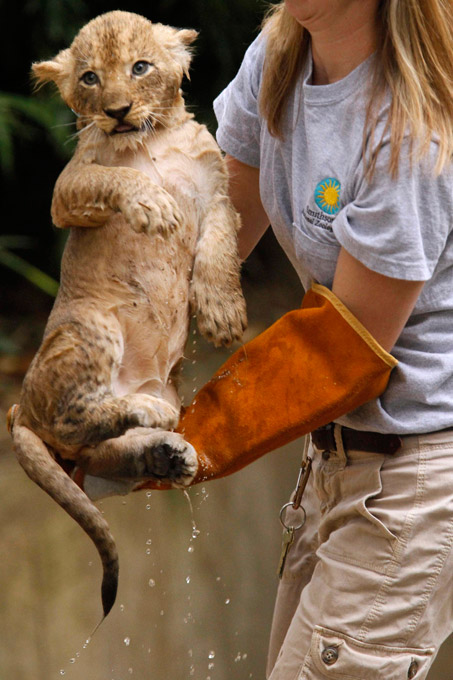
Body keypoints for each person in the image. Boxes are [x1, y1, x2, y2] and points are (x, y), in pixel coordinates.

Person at [76, 1, 453, 677]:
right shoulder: (279, 57)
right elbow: (204, 247)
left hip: (415, 478)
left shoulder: (409, 130)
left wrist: (170, 447)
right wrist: (99, 372)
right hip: (335, 462)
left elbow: (341, 352)